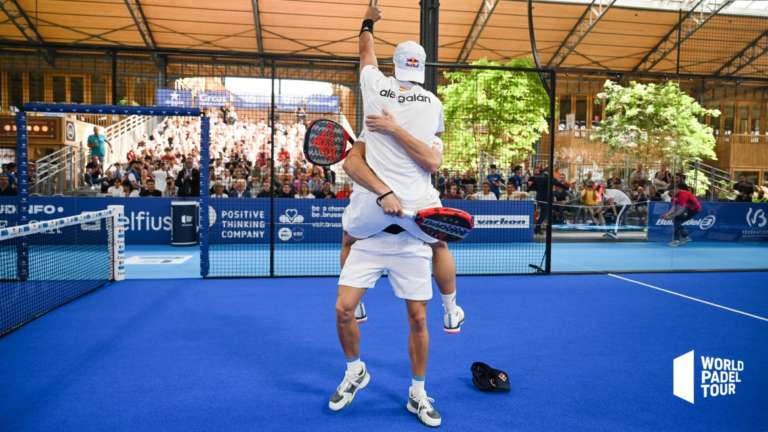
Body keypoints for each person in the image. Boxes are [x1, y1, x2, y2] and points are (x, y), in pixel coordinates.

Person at [330, 5, 443, 427]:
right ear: (421, 68)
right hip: (382, 229)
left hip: (411, 232)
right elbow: (432, 160)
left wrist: (367, 22)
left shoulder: (374, 84)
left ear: (393, 67)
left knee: (414, 316)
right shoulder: (433, 103)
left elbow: (365, 53)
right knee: (345, 307)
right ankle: (355, 371)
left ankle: (418, 392)